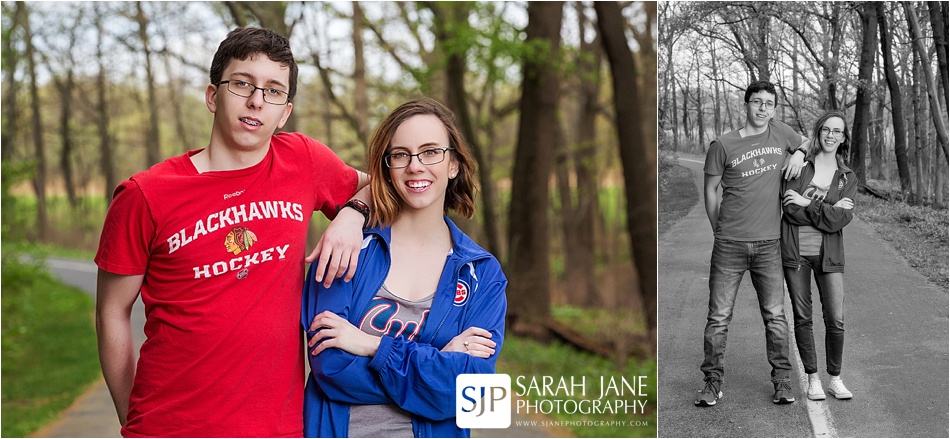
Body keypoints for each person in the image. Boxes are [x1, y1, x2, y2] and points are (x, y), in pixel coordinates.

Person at [95, 27, 372, 437]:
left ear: (285, 112)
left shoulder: (304, 161)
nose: (257, 100)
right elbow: (112, 312)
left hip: (276, 427)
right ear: (213, 96)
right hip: (169, 424)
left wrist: (353, 214)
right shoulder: (145, 195)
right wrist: (133, 418)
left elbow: (383, 186)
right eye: (242, 83)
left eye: (273, 90)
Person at [300, 98, 507, 437]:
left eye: (430, 152)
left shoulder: (481, 273)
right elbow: (332, 368)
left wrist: (372, 346)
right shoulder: (348, 250)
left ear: (453, 164)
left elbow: (477, 396)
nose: (415, 166)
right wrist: (438, 362)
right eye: (401, 155)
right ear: (387, 167)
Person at [696, 80, 809, 407]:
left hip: (768, 245)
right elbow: (709, 191)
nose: (763, 108)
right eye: (757, 102)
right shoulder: (723, 144)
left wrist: (800, 152)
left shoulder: (781, 133)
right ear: (745, 105)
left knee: (775, 316)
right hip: (729, 244)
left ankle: (782, 381)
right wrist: (718, 229)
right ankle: (712, 382)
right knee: (718, 317)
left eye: (769, 103)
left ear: (774, 108)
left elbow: (812, 139)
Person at [780, 111, 857, 401]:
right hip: (797, 253)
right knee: (803, 318)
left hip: (830, 256)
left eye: (837, 131)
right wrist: (829, 207)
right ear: (818, 132)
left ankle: (835, 378)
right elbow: (790, 209)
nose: (831, 135)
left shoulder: (847, 176)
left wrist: (807, 201)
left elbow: (840, 220)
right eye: (826, 129)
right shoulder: (800, 167)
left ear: (843, 138)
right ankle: (813, 378)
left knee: (835, 319)